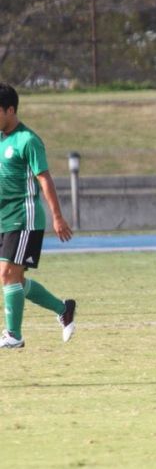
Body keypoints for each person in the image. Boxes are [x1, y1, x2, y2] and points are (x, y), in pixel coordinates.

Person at [0, 82, 76, 349]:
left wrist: (57, 217)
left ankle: (14, 335)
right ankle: (63, 308)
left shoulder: (28, 140)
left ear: (10, 110)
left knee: (7, 273)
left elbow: (45, 180)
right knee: (16, 279)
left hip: (24, 218)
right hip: (3, 218)